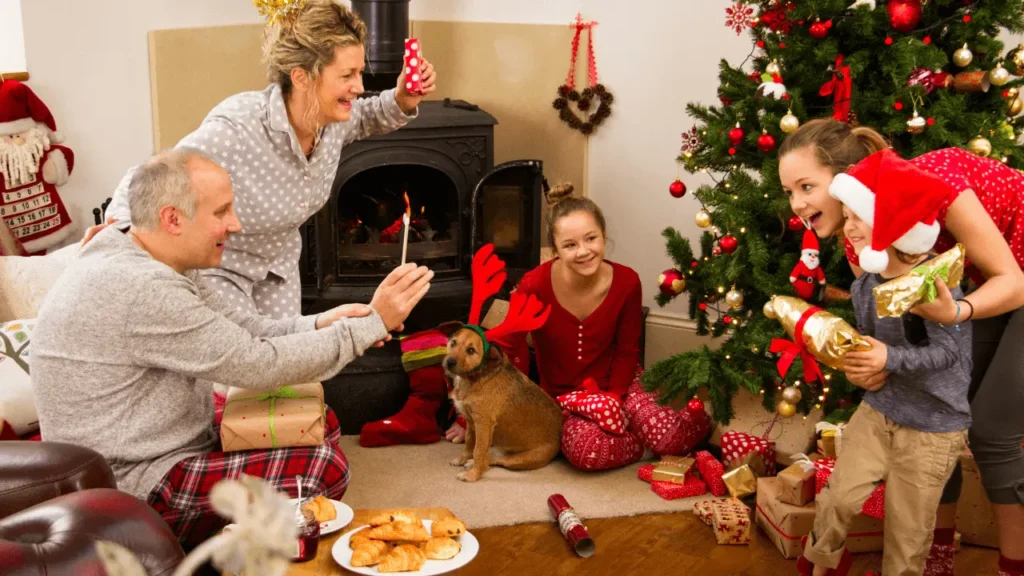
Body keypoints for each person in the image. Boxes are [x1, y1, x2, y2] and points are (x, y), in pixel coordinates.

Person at [32, 149, 432, 547]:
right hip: (131, 483)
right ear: (172, 219)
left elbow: (244, 328)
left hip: (162, 438)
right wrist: (370, 326)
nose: (235, 224)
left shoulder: (142, 246)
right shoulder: (143, 287)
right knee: (322, 469)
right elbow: (257, 365)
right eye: (221, 212)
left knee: (315, 419)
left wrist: (324, 322)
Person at [779, 118, 1024, 576]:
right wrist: (876, 365)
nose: (796, 205)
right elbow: (897, 337)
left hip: (1013, 276)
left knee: (993, 429)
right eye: (789, 192)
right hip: (977, 285)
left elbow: (1013, 283)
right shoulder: (859, 243)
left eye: (806, 186)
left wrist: (955, 313)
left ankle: (1014, 565)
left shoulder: (938, 186)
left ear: (849, 176)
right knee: (938, 415)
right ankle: (936, 557)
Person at [95, 0, 436, 322]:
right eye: (347, 76)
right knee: (242, 368)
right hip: (222, 269)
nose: (359, 87)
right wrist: (122, 235)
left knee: (285, 370)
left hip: (279, 268)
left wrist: (403, 96)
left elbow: (366, 116)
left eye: (360, 73)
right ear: (301, 76)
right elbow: (154, 175)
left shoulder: (331, 122)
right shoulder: (239, 127)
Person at [799, 149, 971, 576]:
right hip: (881, 410)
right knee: (838, 497)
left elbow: (950, 354)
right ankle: (818, 566)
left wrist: (889, 357)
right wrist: (865, 364)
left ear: (893, 221)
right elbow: (872, 348)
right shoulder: (865, 286)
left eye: (858, 217)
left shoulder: (935, 283)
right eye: (848, 216)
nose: (849, 227)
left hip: (933, 425)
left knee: (908, 533)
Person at [447, 185, 647, 471]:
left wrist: (614, 399)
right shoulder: (534, 285)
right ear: (554, 250)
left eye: (591, 238)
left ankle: (645, 432)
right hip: (562, 402)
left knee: (666, 432)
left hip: (617, 387)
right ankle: (631, 441)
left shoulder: (628, 282)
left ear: (604, 235)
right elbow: (505, 351)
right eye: (570, 245)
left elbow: (628, 350)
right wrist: (468, 417)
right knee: (586, 454)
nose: (583, 251)